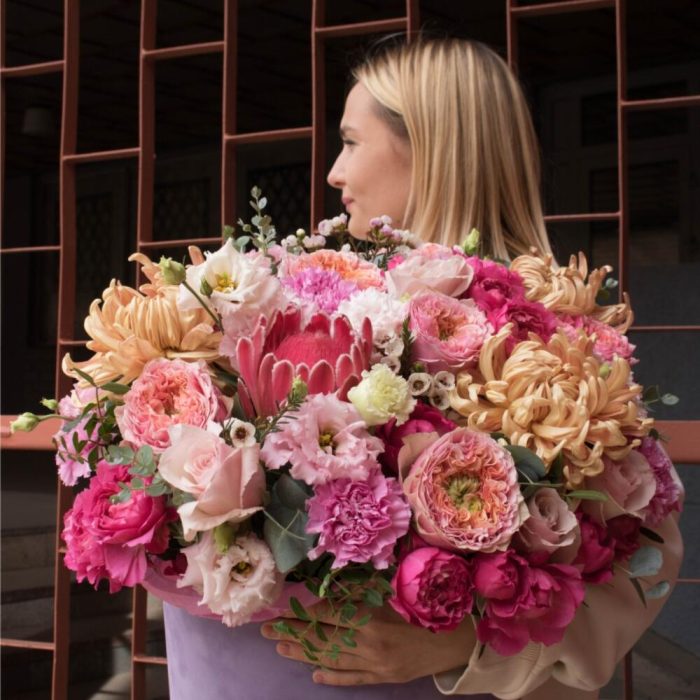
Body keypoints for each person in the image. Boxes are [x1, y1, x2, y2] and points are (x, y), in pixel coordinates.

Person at [162, 37, 683, 700]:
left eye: (351, 142)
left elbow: (647, 566)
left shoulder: (559, 348)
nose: (333, 174)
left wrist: (467, 646)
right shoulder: (309, 310)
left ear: (430, 150)